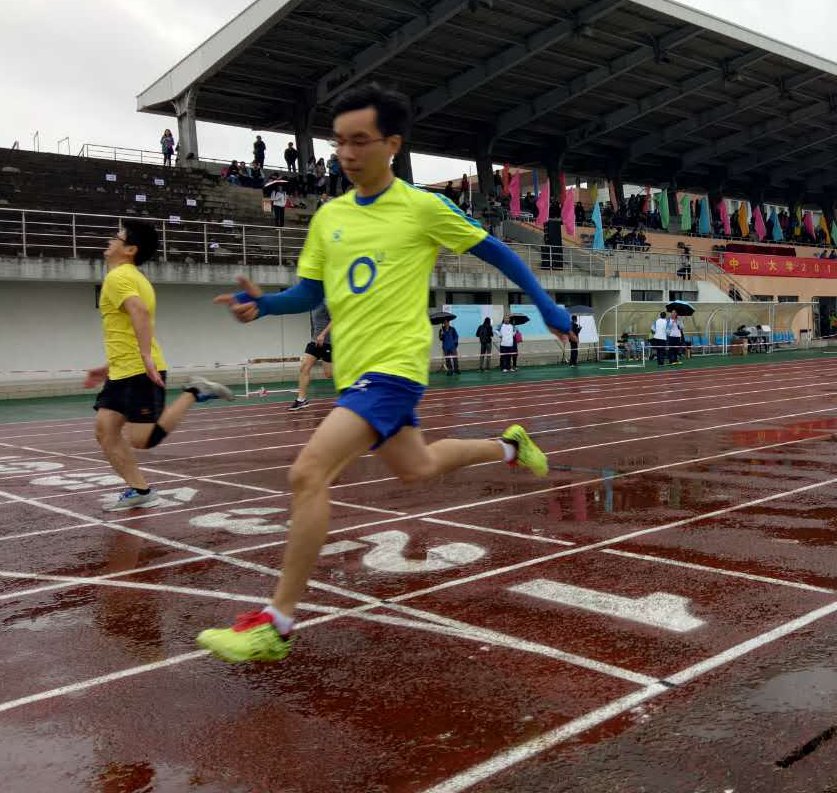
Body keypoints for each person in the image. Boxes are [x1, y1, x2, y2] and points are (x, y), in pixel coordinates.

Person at [197, 82, 570, 662]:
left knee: (307, 473)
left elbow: (500, 252)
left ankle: (277, 623)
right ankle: (508, 446)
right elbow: (310, 293)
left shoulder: (422, 208)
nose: (346, 154)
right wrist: (265, 305)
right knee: (416, 467)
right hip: (354, 373)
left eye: (360, 141)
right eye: (339, 142)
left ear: (392, 144)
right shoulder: (330, 216)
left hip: (394, 369)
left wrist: (545, 304)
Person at [85, 220, 233, 510]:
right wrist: (108, 367)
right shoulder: (132, 277)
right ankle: (140, 490)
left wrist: (145, 357)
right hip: (123, 370)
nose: (110, 241)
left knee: (142, 440)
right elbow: (126, 329)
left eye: (116, 238)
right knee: (105, 431)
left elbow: (139, 313)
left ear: (130, 249)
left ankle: (194, 391)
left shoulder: (118, 277)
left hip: (139, 371)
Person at [288, 303, 333, 411]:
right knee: (304, 367)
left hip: (328, 342)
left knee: (329, 374)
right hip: (315, 342)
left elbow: (335, 320)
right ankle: (301, 400)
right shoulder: (312, 304)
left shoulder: (326, 301)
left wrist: (323, 334)